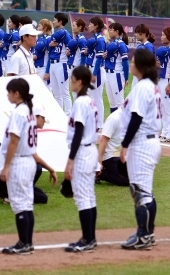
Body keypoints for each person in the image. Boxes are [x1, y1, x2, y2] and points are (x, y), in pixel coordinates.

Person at [119, 49, 161, 250]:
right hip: (148, 141)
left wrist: (125, 144)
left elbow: (136, 118)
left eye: (133, 61)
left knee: (140, 192)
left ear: (141, 66)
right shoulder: (148, 86)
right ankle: (148, 233)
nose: (130, 63)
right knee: (145, 192)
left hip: (142, 142)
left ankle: (144, 235)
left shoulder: (143, 87)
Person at [0, 79, 38, 255]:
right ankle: (27, 243)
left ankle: (23, 243)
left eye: (9, 92)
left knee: (20, 204)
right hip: (29, 160)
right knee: (27, 203)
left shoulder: (18, 113)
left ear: (17, 93)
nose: (7, 95)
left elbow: (13, 142)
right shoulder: (28, 111)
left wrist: (5, 167)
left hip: (19, 162)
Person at [64, 66, 99, 253]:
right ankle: (90, 238)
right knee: (89, 196)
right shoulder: (89, 100)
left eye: (72, 79)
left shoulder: (80, 103)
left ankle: (87, 240)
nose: (71, 82)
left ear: (79, 82)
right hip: (89, 150)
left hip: (83, 152)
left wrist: (70, 160)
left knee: (83, 198)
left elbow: (78, 132)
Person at [44, 12, 73, 115]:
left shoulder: (64, 33)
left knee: (64, 93)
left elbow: (71, 45)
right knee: (56, 94)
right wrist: (50, 45)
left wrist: (69, 52)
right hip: (53, 64)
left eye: (55, 20)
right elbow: (48, 45)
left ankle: (69, 115)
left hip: (62, 64)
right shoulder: (58, 34)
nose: (53, 21)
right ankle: (59, 114)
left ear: (60, 22)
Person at [96, 107, 129, 186]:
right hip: (110, 157)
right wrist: (99, 163)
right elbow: (103, 140)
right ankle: (100, 174)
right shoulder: (114, 118)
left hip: (121, 156)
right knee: (127, 180)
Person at [85, 16, 106, 130]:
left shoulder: (100, 39)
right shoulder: (95, 38)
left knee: (97, 98)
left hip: (96, 70)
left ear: (96, 26)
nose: (89, 26)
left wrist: (94, 73)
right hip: (91, 69)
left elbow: (98, 59)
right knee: (91, 97)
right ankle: (93, 122)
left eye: (91, 24)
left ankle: (99, 124)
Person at [104, 22, 129, 112]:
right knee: (112, 103)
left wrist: (126, 78)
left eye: (110, 30)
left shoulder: (121, 44)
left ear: (117, 31)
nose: (109, 32)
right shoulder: (112, 43)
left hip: (116, 74)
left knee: (120, 103)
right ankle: (114, 125)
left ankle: (123, 125)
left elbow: (125, 62)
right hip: (108, 74)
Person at [35, 19, 52, 83]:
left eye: (39, 26)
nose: (37, 28)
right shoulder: (40, 39)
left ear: (45, 28)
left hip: (43, 68)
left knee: (46, 91)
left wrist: (47, 72)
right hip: (36, 67)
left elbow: (50, 56)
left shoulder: (49, 39)